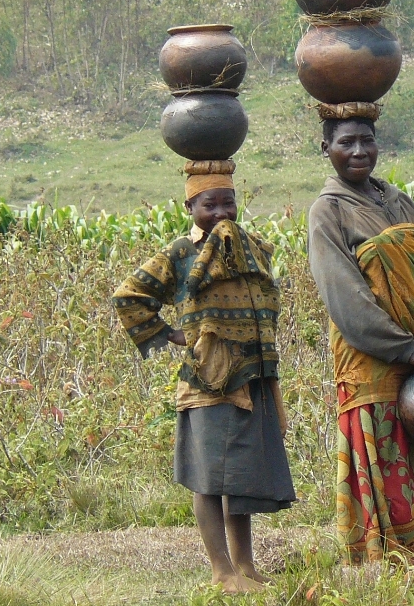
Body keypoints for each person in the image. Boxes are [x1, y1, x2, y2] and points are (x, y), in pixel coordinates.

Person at [113, 162, 295, 594]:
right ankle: (220, 571)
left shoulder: (251, 248)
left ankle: (245, 567)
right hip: (208, 382)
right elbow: (130, 295)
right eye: (208, 204)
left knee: (241, 476)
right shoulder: (180, 253)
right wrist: (172, 334)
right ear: (189, 205)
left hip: (254, 378)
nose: (219, 212)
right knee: (210, 477)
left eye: (227, 202)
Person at [308, 116, 414, 565]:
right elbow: (346, 297)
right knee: (386, 456)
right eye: (346, 142)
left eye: (367, 140)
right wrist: (405, 349)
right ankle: (391, 563)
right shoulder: (328, 211)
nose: (359, 150)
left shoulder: (399, 200)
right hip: (374, 363)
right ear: (326, 148)